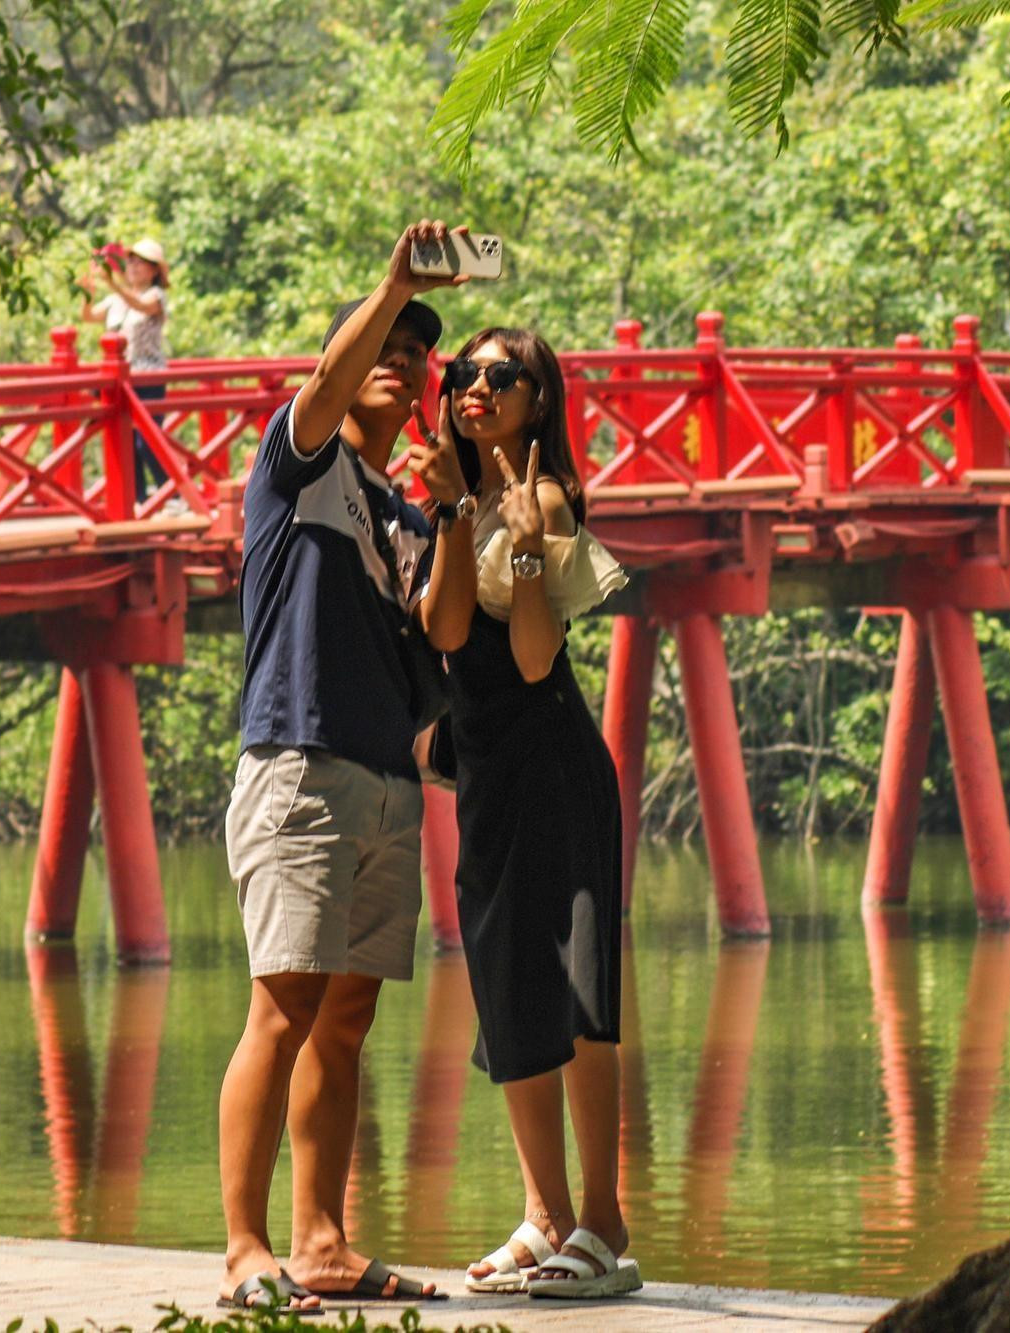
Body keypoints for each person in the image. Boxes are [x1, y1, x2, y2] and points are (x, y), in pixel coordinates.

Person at [216, 221, 478, 1314]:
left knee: (349, 1013)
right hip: (298, 761)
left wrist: (458, 500)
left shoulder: (401, 513)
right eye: (387, 344)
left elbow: (450, 625)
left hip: (383, 779)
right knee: (281, 1005)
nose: (402, 360)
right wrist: (392, 283)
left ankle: (321, 1241)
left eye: (418, 357)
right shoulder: (300, 467)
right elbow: (328, 376)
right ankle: (244, 1252)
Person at [421, 326, 640, 1300]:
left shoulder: (543, 498)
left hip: (551, 766)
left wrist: (516, 545)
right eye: (461, 374)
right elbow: (444, 630)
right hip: (491, 775)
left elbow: (533, 659)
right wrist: (447, 519)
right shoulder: (458, 503)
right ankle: (542, 1213)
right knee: (508, 989)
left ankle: (600, 1220)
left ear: (535, 399)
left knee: (576, 994)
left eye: (498, 376)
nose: (475, 387)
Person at [78, 238, 172, 504]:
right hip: (123, 381)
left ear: (154, 270)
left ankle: (172, 493)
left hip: (150, 376)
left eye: (141, 262)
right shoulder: (114, 300)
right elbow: (88, 317)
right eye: (131, 261)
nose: (134, 267)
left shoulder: (156, 297)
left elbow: (141, 306)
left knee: (148, 440)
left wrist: (112, 284)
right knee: (127, 443)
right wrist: (88, 290)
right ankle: (138, 499)